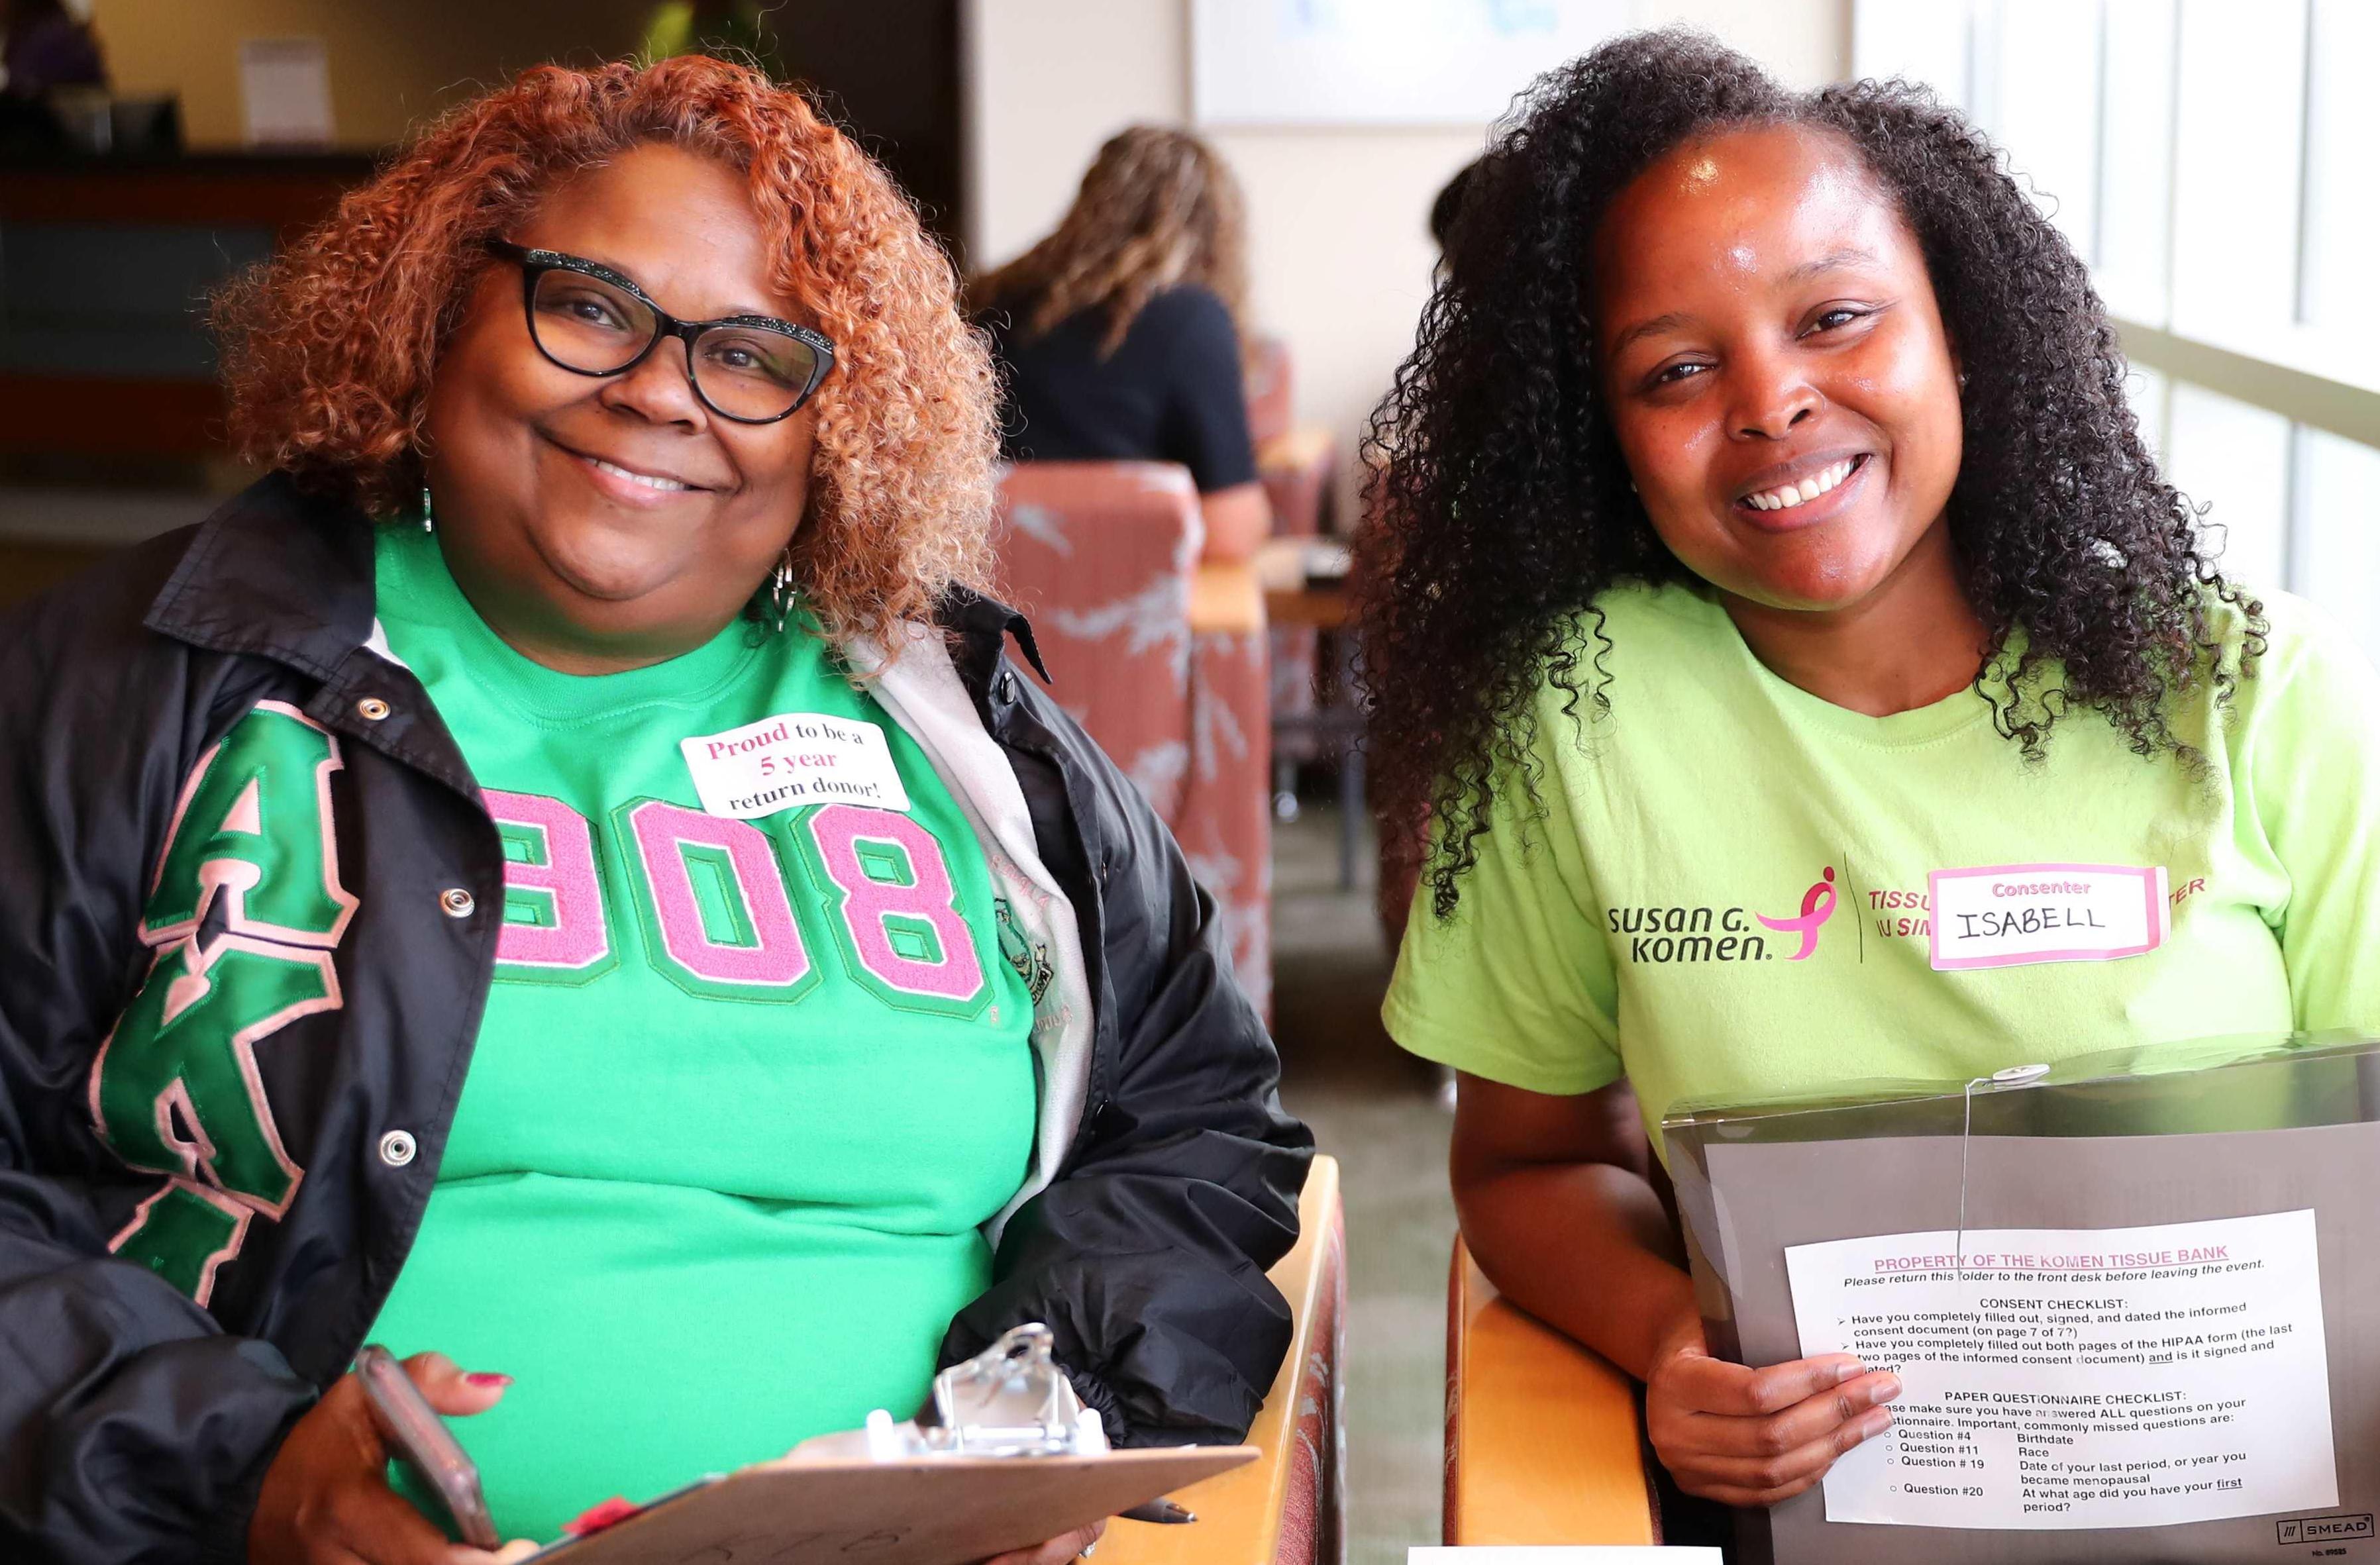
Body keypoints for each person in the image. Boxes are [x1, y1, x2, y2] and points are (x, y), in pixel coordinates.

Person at [0, 56, 1310, 1565]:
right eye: (593, 307)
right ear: (436, 305)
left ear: (841, 414)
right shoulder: (146, 679)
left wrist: (1046, 1419)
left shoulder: (967, 725)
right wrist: (232, 1471)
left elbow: (1199, 1123)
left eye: (753, 354)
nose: (660, 391)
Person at [1360, 28, 2380, 1525]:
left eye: (1834, 317)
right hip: (1810, 1514)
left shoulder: (2253, 687)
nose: (1769, 403)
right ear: (1607, 435)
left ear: (1955, 329)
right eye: (1677, 369)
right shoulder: (1577, 719)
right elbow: (1522, 1163)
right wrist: (1667, 1347)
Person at [976, 126, 1271, 562]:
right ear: (1212, 232)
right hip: (1125, 611)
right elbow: (1229, 534)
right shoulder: (1191, 319)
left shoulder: (986, 300)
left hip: (990, 604)